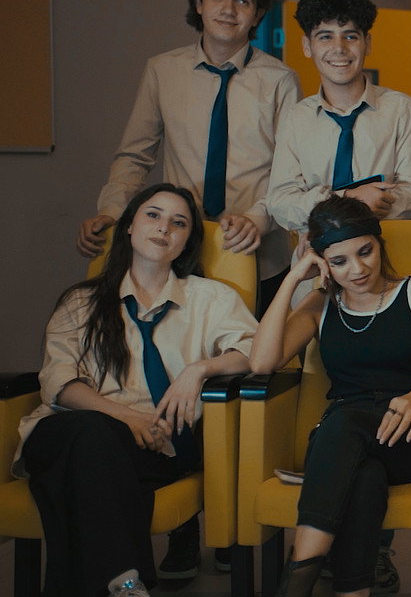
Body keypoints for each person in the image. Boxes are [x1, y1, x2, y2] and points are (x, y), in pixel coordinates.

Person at [17, 184, 256, 596]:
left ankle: (122, 583)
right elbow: (58, 382)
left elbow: (254, 351)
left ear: (187, 241)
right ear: (128, 225)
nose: (164, 228)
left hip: (151, 448)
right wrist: (128, 418)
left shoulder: (210, 298)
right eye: (153, 215)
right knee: (92, 433)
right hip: (65, 431)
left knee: (81, 469)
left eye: (178, 223)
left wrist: (199, 369)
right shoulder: (81, 302)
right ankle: (126, 584)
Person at [248, 196, 411, 597]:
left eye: (365, 252)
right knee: (364, 476)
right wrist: (293, 278)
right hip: (344, 435)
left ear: (379, 243)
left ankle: (296, 580)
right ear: (323, 263)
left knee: (344, 427)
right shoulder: (320, 304)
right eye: (339, 261)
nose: (357, 269)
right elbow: (262, 362)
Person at [77, 0, 300, 315]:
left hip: (260, 255)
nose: (228, 10)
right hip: (177, 252)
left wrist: (258, 218)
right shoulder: (162, 71)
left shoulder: (281, 81)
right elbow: (135, 156)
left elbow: (291, 170)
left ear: (258, 13)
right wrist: (113, 210)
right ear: (198, 2)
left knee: (254, 349)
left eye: (243, 0)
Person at [267, 0, 411, 239]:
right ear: (307, 46)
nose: (339, 48)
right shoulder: (296, 118)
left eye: (350, 36)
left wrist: (319, 209)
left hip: (388, 251)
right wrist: (352, 199)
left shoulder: (402, 109)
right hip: (315, 257)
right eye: (325, 37)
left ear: (367, 43)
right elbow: (281, 202)